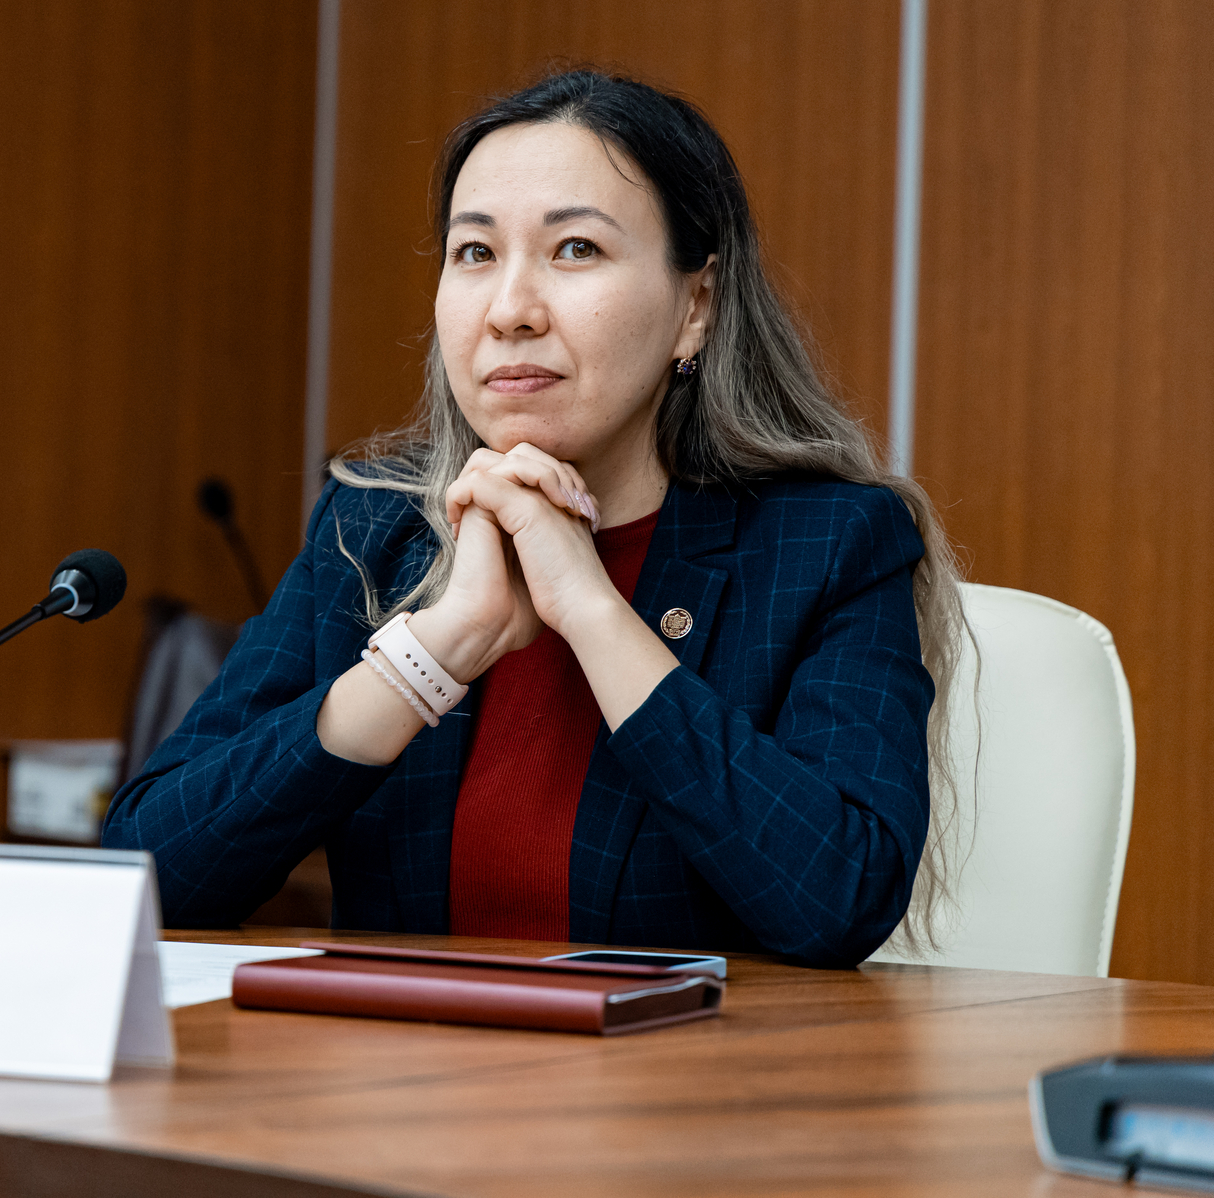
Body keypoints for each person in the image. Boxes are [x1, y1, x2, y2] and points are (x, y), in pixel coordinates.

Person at [104, 70, 963, 968]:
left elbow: (838, 902)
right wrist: (435, 652)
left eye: (576, 249)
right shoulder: (374, 528)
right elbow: (149, 875)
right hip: (402, 1056)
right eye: (475, 253)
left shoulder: (827, 544)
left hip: (683, 1062)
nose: (509, 311)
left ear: (696, 306)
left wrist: (591, 612)